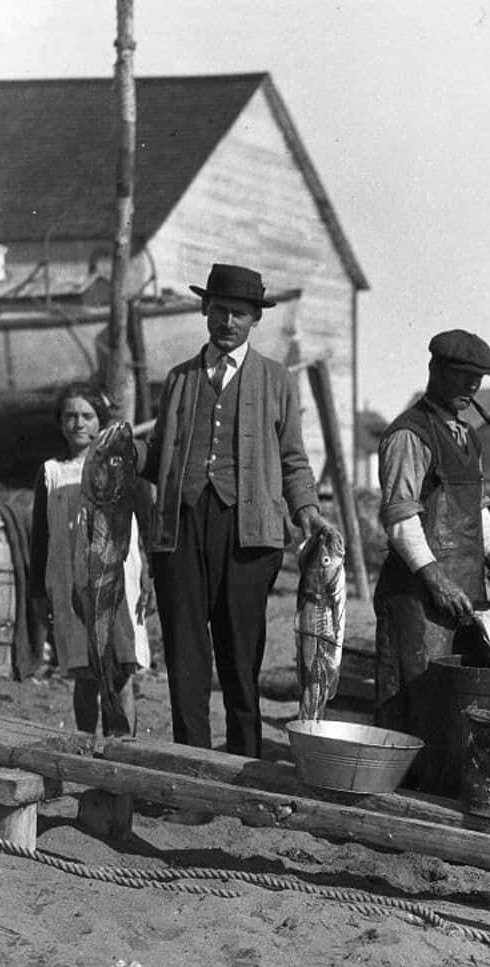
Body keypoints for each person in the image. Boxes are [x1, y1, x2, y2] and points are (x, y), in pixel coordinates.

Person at [144, 262, 340, 758]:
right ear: (205, 310)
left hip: (249, 533)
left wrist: (307, 511)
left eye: (238, 314)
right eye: (218, 311)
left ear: (255, 319)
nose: (226, 322)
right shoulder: (179, 379)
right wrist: (118, 451)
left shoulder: (275, 380)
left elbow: (294, 459)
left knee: (240, 653)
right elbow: (157, 457)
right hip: (181, 529)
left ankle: (245, 766)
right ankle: (191, 768)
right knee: (186, 653)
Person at [372, 329, 490, 750]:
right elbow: (401, 520)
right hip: (416, 596)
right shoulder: (409, 435)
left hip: (465, 593)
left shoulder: (469, 437)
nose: (473, 386)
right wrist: (437, 581)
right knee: (411, 700)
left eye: (479, 377)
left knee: (456, 701)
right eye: (463, 376)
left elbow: (476, 512)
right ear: (435, 370)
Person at [29, 382, 151, 734]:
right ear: (60, 423)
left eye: (87, 416)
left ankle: (123, 747)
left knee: (122, 669)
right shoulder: (51, 472)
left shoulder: (122, 466)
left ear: (100, 422)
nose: (78, 424)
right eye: (70, 417)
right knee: (85, 673)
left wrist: (149, 575)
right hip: (72, 581)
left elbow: (145, 520)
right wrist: (39, 591)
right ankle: (85, 744)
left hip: (118, 577)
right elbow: (40, 538)